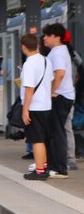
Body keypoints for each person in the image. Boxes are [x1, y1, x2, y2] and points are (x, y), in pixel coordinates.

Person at [19, 33, 55, 180]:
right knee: (42, 139)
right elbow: (50, 80)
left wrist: (25, 110)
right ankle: (44, 167)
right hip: (46, 106)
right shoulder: (46, 61)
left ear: (23, 47)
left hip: (35, 107)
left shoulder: (29, 64)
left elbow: (29, 89)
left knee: (37, 140)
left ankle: (39, 171)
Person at [42, 23, 75, 176]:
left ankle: (59, 168)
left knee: (57, 132)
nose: (45, 38)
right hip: (64, 96)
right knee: (56, 131)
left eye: (48, 35)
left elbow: (59, 74)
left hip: (60, 97)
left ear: (57, 37)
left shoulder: (57, 53)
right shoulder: (60, 51)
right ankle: (55, 165)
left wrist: (50, 91)